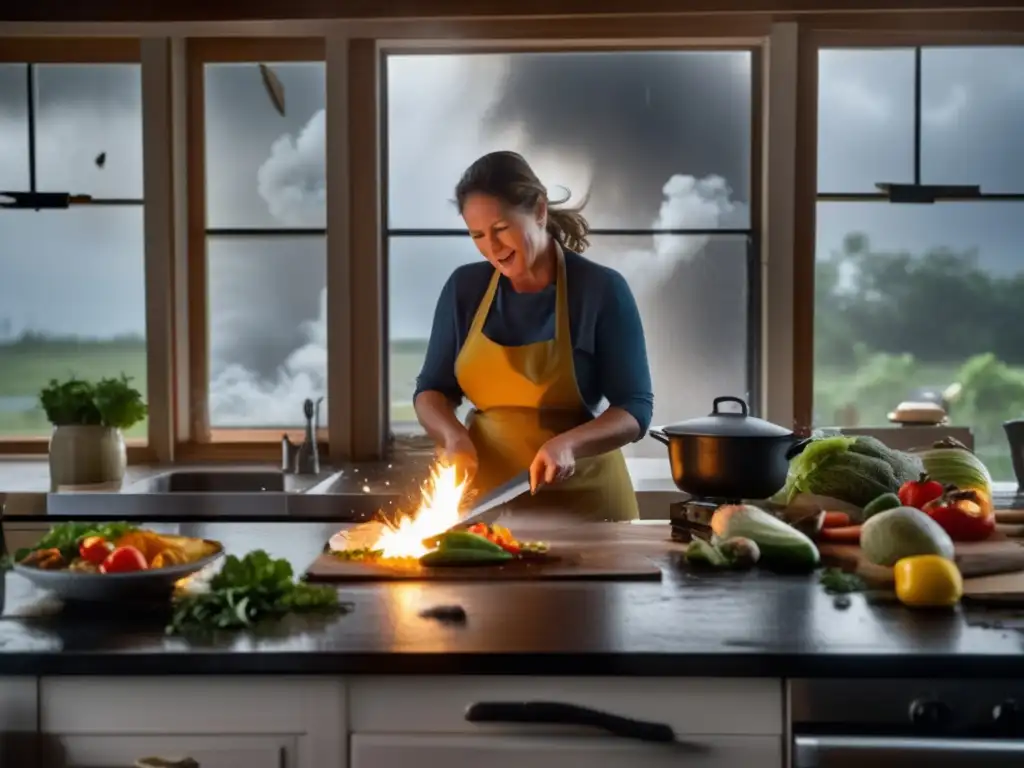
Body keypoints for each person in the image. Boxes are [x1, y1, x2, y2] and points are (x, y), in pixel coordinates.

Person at [412, 151, 654, 521]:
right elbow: (431, 390)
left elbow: (636, 407)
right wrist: (453, 436)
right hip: (487, 506)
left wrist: (568, 444)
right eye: (477, 235)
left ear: (539, 210)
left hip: (587, 508)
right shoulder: (465, 289)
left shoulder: (601, 290)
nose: (492, 248)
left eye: (500, 229)